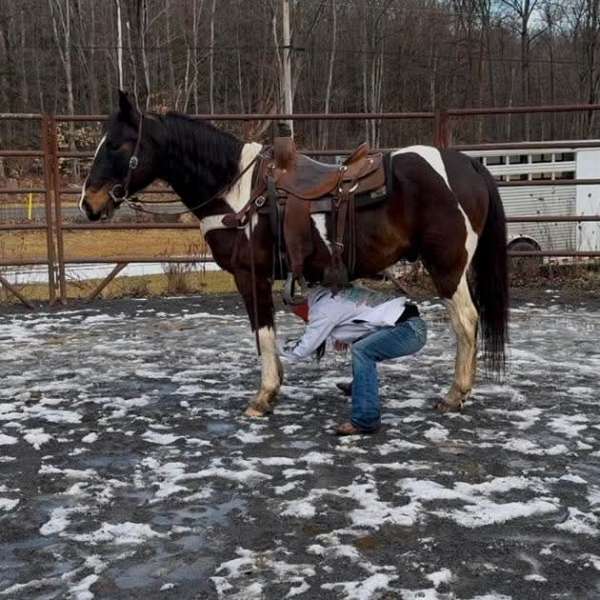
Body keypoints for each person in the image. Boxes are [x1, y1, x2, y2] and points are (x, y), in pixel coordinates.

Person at [280, 285, 427, 435]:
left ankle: (366, 420)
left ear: (301, 306)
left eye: (298, 314)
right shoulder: (332, 295)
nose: (304, 319)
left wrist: (271, 347)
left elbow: (302, 350)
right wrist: (347, 335)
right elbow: (364, 317)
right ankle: (358, 387)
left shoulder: (321, 310)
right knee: (362, 347)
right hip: (407, 323)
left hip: (409, 330)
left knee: (362, 351)